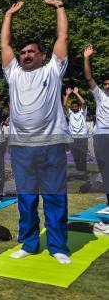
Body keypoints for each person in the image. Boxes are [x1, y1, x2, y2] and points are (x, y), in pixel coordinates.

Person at [1, 0, 72, 264]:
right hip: (22, 148)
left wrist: (60, 8)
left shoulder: (53, 71)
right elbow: (5, 45)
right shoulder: (14, 74)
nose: (26, 55)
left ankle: (58, 247)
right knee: (27, 199)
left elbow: (62, 36)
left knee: (55, 197)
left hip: (51, 144)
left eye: (32, 52)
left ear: (42, 55)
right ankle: (29, 244)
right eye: (24, 53)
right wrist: (9, 15)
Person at [83, 44, 109, 237]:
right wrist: (87, 58)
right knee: (105, 172)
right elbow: (89, 78)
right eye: (105, 83)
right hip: (101, 136)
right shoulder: (100, 96)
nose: (107, 86)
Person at [63, 87, 89, 173]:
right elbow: (64, 105)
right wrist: (67, 95)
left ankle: (84, 172)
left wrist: (77, 93)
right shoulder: (69, 114)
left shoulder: (83, 113)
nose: (74, 108)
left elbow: (83, 103)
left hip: (83, 137)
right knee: (76, 156)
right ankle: (79, 171)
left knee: (83, 155)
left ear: (78, 107)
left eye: (76, 106)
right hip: (73, 138)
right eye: (72, 107)